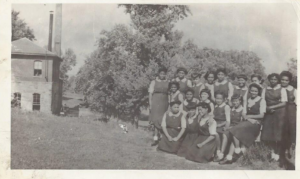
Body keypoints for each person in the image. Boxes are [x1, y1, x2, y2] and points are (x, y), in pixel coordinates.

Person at [220, 83, 266, 164]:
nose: (253, 92)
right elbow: (244, 114)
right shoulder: (247, 100)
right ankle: (234, 152)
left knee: (235, 130)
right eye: (252, 91)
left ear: (258, 92)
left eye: (255, 91)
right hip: (247, 122)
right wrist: (248, 118)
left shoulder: (262, 100)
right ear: (249, 91)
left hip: (256, 123)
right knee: (236, 131)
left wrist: (250, 117)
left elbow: (261, 115)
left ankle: (231, 155)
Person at [261, 73, 287, 162]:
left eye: (275, 79)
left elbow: (284, 103)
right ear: (269, 80)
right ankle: (272, 153)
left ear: (278, 80)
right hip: (268, 113)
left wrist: (271, 107)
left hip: (279, 112)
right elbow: (262, 101)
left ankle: (278, 153)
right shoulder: (265, 89)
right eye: (271, 79)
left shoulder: (282, 89)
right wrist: (267, 109)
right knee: (269, 134)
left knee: (278, 133)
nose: (273, 81)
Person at [148, 67, 169, 146]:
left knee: (163, 120)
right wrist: (150, 104)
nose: (162, 75)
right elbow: (150, 93)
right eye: (161, 74)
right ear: (158, 74)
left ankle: (162, 139)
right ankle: (155, 138)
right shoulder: (154, 82)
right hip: (156, 102)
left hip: (164, 102)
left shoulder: (168, 82)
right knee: (156, 120)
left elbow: (169, 93)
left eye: (164, 74)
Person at [280, 71, 297, 168]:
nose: (284, 82)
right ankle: (279, 153)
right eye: (282, 79)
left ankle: (289, 150)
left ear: (289, 81)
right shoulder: (277, 88)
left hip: (290, 112)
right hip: (279, 112)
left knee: (290, 130)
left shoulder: (293, 90)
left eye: (286, 80)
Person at [213, 91, 231, 162]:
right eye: (217, 98)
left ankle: (221, 153)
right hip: (215, 124)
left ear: (224, 99)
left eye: (220, 99)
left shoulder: (226, 107)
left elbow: (228, 120)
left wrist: (224, 127)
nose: (218, 100)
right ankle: (215, 151)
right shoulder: (215, 106)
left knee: (224, 134)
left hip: (223, 124)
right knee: (213, 133)